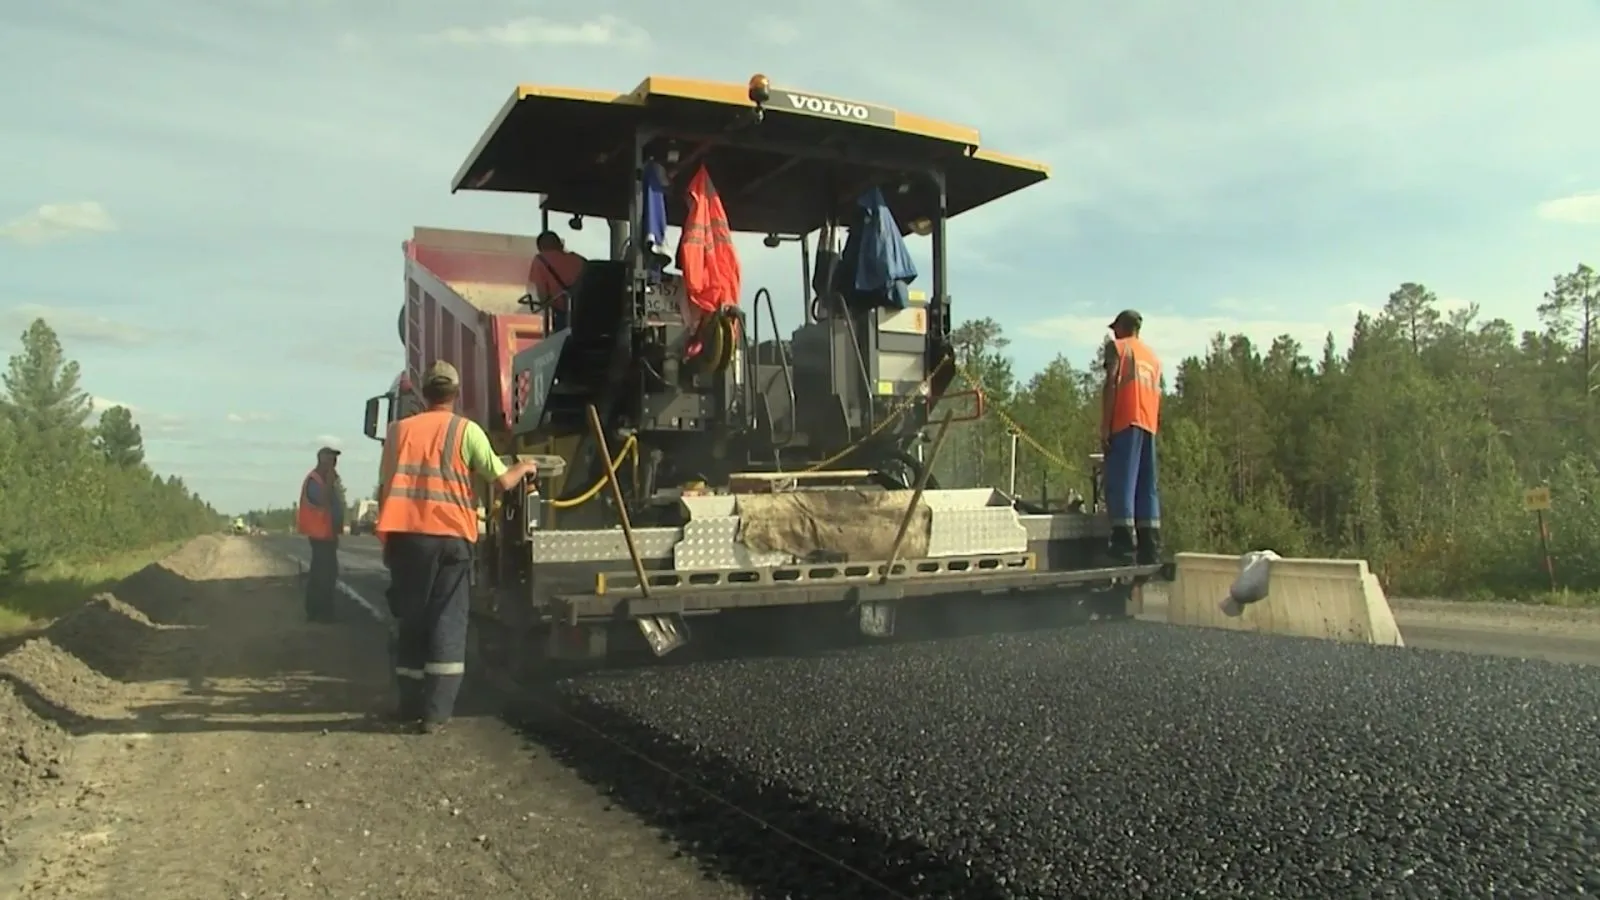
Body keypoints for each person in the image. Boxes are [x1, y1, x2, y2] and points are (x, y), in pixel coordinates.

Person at [375, 360, 537, 734]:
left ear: (423, 393)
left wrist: (387, 542)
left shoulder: (398, 432)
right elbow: (501, 482)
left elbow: (386, 487)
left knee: (411, 621)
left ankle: (408, 705)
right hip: (452, 540)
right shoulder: (467, 431)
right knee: (447, 621)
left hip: (407, 538)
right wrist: (525, 466)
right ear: (455, 393)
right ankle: (435, 714)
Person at [1099, 309, 1162, 565]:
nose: (1113, 332)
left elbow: (1112, 383)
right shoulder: (1152, 358)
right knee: (1146, 486)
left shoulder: (1118, 348)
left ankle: (1123, 542)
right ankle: (1150, 545)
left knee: (1121, 481)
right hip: (1148, 424)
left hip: (1126, 420)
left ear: (1123, 328)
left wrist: (1105, 425)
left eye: (1115, 328)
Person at [296, 446, 345, 623]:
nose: (334, 464)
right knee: (322, 575)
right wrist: (331, 483)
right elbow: (322, 501)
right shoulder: (315, 480)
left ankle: (322, 611)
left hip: (327, 535)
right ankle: (319, 612)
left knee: (327, 573)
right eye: (331, 460)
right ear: (322, 460)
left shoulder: (323, 480)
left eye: (335, 460)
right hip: (319, 535)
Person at [529, 231, 586, 331]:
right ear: (560, 244)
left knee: (562, 342)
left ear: (540, 247)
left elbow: (543, 295)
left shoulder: (540, 260)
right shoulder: (579, 259)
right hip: (587, 312)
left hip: (564, 314)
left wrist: (543, 303)